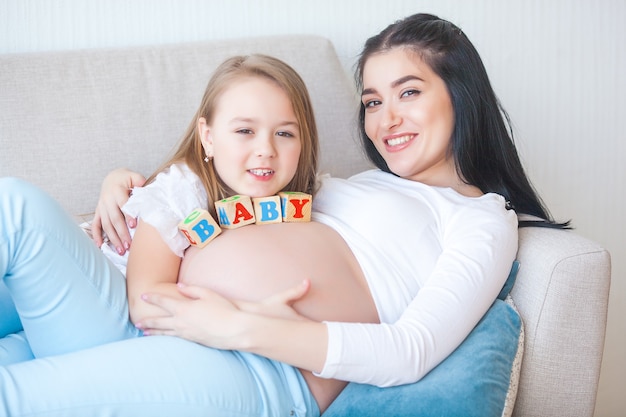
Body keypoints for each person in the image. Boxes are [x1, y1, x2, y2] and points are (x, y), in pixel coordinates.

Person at [0, 13, 567, 417]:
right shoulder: (340, 186)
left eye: (409, 92)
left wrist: (239, 327)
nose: (387, 118)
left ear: (460, 94)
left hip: (253, 368)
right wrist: (119, 186)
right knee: (15, 205)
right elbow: (216, 187)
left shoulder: (481, 217)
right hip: (142, 317)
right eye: (372, 101)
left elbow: (410, 351)